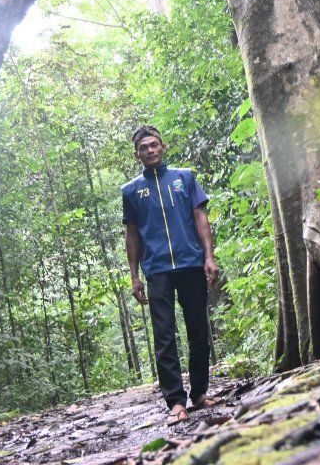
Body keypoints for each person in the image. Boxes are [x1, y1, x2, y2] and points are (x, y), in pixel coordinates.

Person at [121, 125, 219, 424]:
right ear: (136, 154)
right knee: (164, 336)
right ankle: (175, 401)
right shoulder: (131, 190)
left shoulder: (184, 177)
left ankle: (200, 393)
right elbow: (132, 234)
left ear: (162, 147)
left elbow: (200, 217)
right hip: (158, 270)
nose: (150, 150)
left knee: (199, 331)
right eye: (143, 148)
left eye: (154, 145)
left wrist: (209, 256)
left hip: (190, 263)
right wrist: (135, 275)